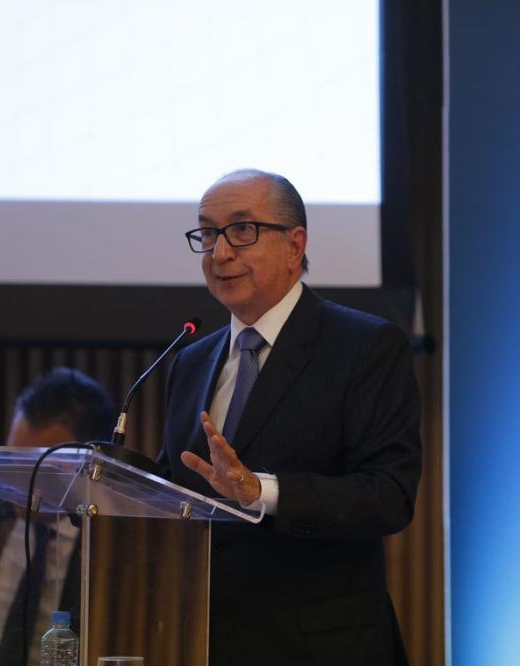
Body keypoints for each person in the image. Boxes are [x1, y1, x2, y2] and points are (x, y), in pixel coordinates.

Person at [157, 169, 422, 665]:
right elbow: (172, 486)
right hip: (209, 645)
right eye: (208, 234)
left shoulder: (364, 347)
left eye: (241, 230)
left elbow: (388, 497)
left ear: (294, 245)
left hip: (323, 649)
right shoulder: (191, 361)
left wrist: (260, 491)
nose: (220, 252)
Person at [0, 368, 116, 665]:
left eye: (39, 465)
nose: (20, 480)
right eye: (15, 460)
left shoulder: (112, 546)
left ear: (89, 466)